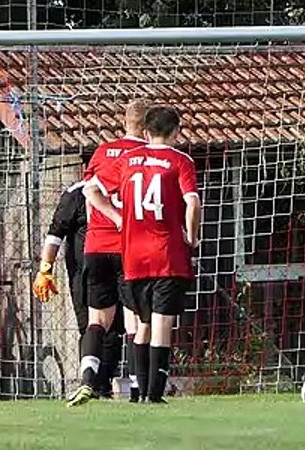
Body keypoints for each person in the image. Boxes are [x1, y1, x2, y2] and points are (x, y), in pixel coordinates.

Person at [33, 100, 149, 405]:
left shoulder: (100, 159)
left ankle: (92, 382)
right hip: (127, 249)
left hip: (95, 253)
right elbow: (56, 232)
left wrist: (44, 269)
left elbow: (89, 193)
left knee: (99, 323)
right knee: (134, 320)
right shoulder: (149, 157)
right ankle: (135, 389)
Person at [85, 105, 200, 404]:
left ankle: (139, 391)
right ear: (176, 131)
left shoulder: (126, 161)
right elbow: (193, 203)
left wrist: (117, 217)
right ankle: (153, 394)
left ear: (146, 132)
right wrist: (193, 235)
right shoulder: (180, 160)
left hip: (133, 255)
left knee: (141, 324)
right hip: (167, 253)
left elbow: (90, 190)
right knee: (162, 324)